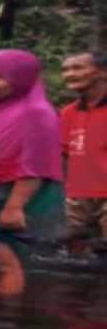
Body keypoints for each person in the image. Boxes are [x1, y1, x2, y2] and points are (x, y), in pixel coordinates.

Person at [0, 50, 65, 296]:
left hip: (8, 196)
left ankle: (7, 319)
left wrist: (15, 206)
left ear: (22, 77)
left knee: (6, 260)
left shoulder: (35, 113)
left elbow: (37, 164)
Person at [59, 50, 107, 255]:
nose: (69, 74)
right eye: (66, 69)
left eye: (78, 68)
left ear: (101, 72)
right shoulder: (68, 112)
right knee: (73, 257)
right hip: (77, 197)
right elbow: (62, 154)